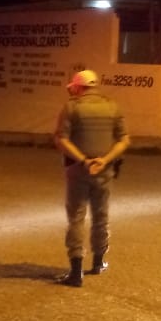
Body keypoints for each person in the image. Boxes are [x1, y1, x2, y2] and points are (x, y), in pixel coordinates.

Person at [52, 69, 130, 287]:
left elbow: (61, 139)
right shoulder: (112, 106)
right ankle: (98, 262)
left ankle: (76, 272)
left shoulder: (71, 107)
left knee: (76, 217)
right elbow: (124, 139)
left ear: (78, 87)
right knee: (101, 216)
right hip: (105, 171)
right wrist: (104, 161)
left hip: (78, 170)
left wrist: (84, 160)